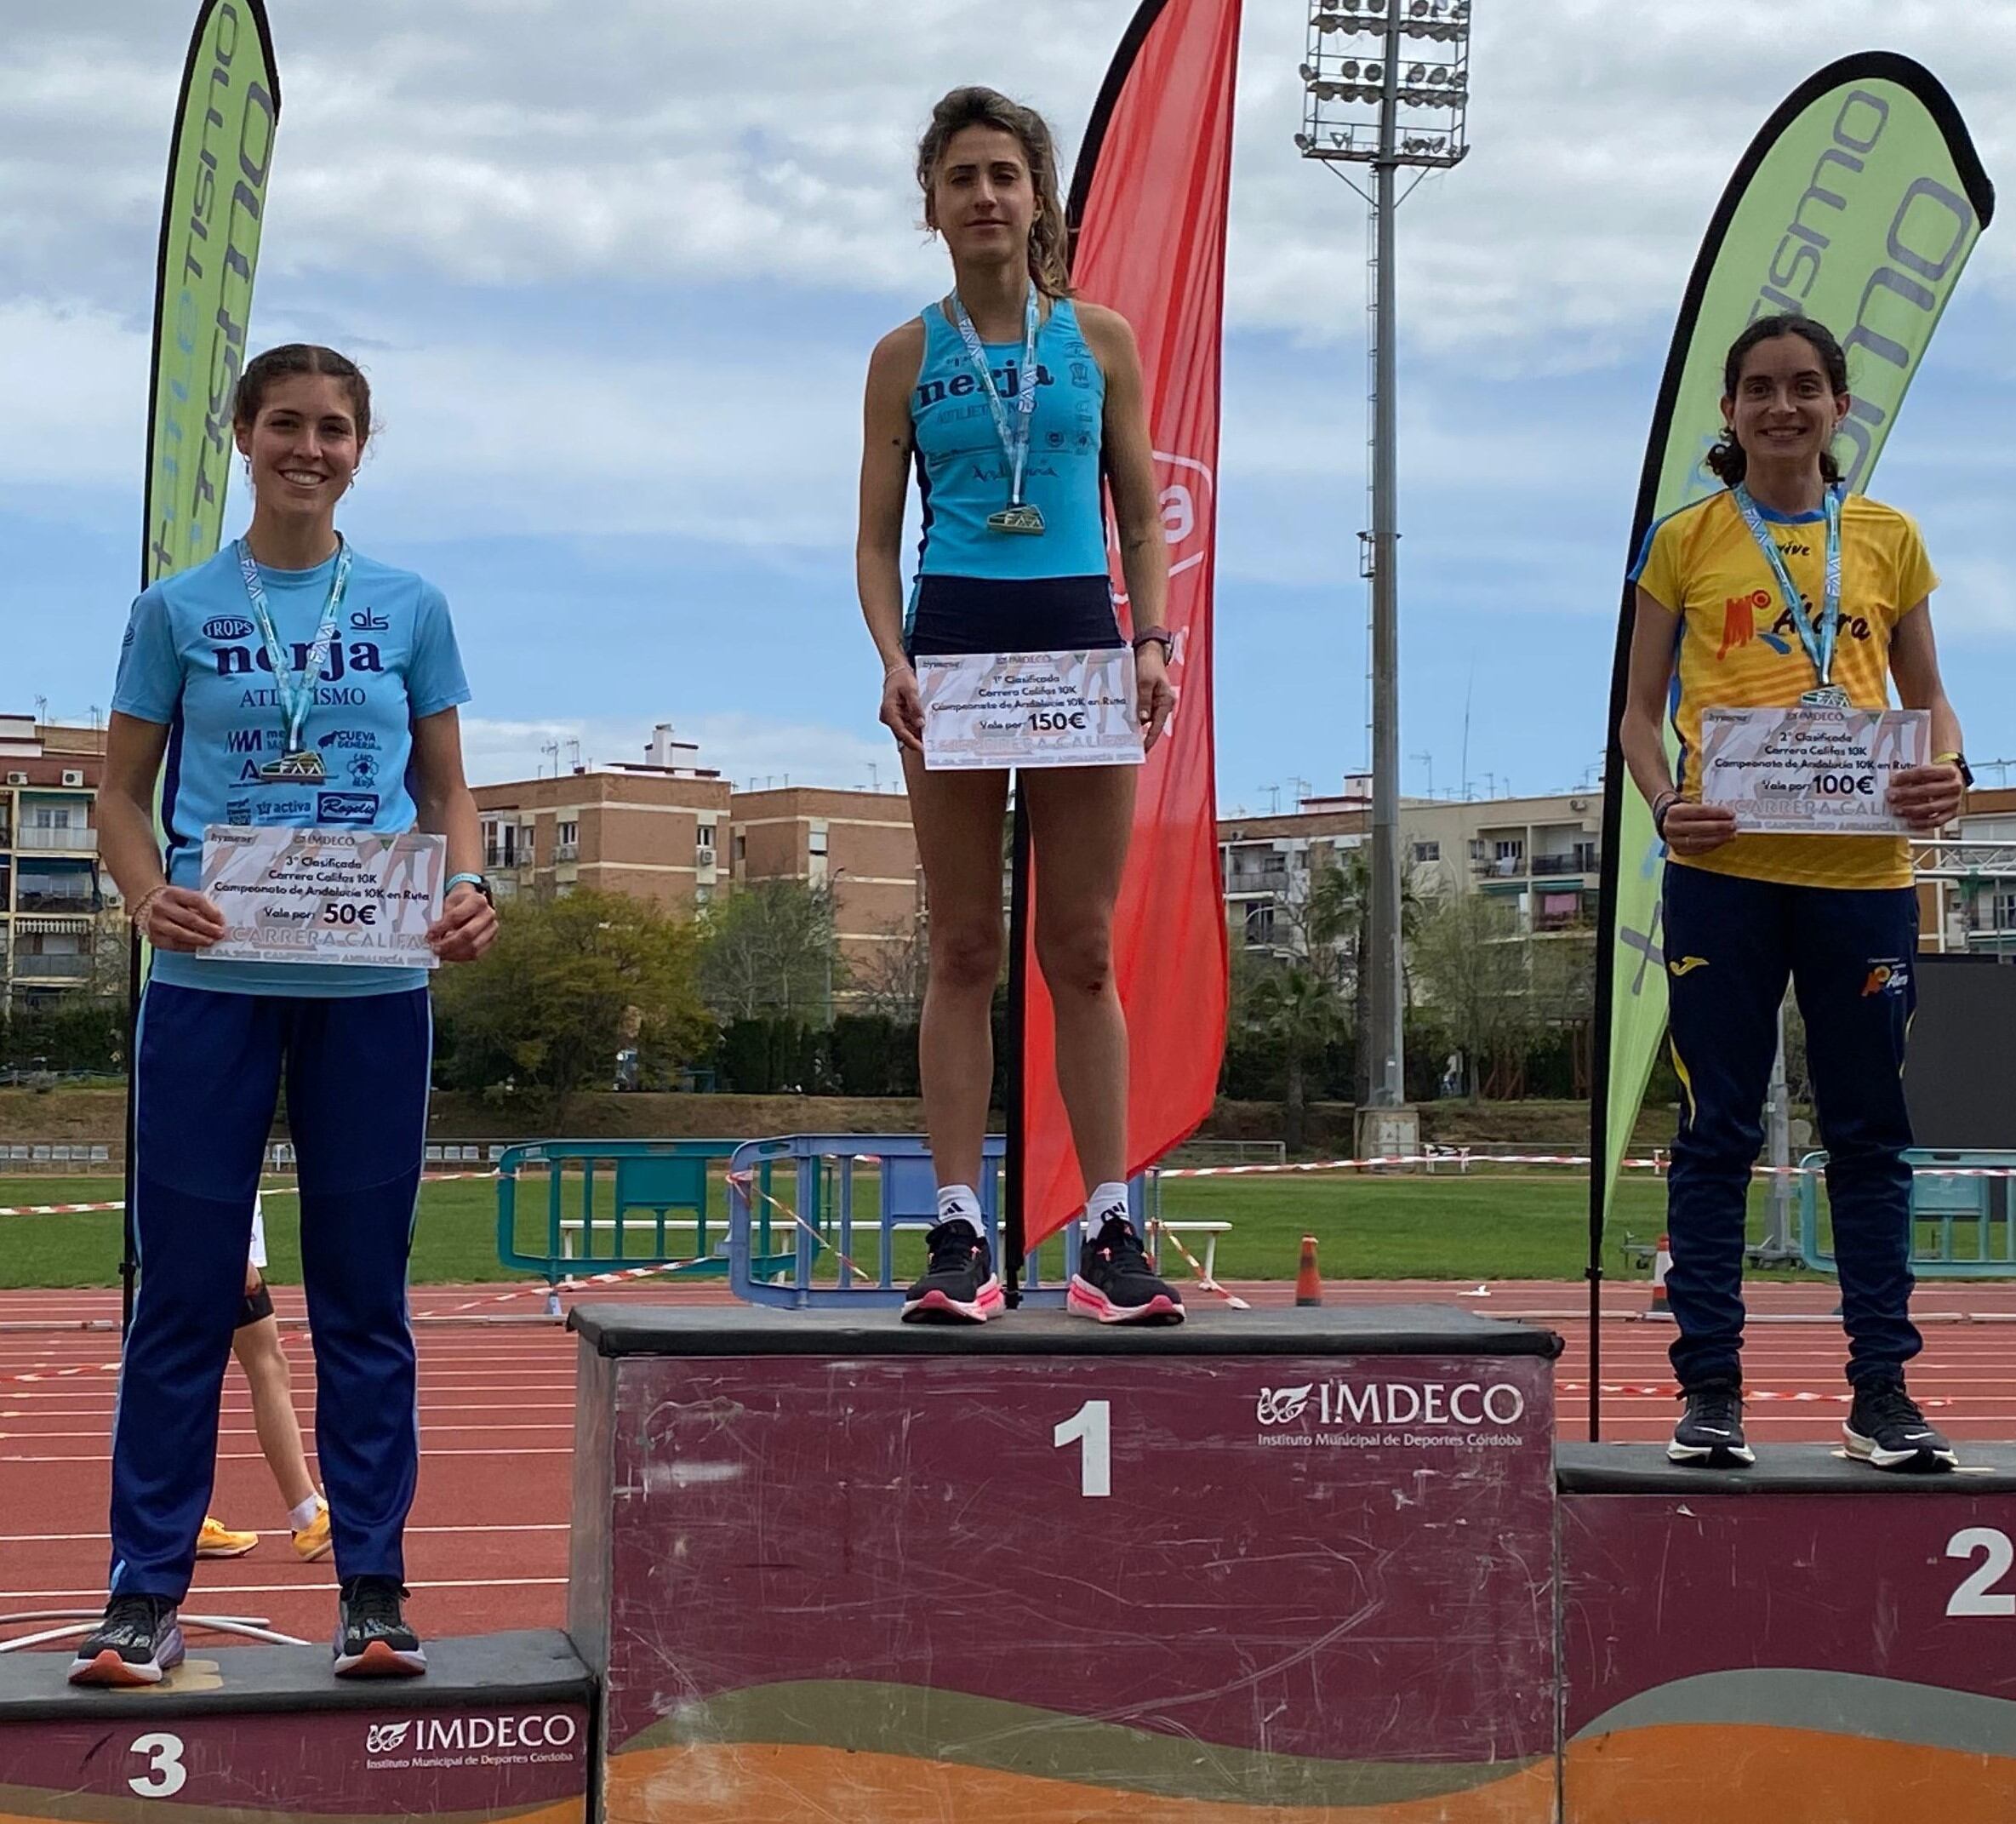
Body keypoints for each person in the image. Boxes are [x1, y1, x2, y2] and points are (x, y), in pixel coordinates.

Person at [71, 343, 498, 1688]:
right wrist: (149, 897)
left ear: (362, 448)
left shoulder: (412, 605)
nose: (309, 448)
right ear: (243, 435)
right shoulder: (177, 609)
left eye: (334, 429)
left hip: (372, 988)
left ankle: (373, 1590)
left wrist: (473, 883)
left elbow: (448, 796)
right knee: (183, 1301)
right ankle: (145, 1595)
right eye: (285, 425)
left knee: (366, 1300)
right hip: (212, 989)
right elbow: (118, 799)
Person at [1619, 312, 1968, 1473]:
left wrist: (1947, 773)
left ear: (1837, 406)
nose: (1782, 406)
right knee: (1715, 1128)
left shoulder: (1888, 536)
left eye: (1805, 386)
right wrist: (1668, 802)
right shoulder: (1685, 541)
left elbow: (1930, 699)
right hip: (1721, 869)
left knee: (1869, 1134)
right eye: (1760, 388)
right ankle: (1710, 1389)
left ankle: (1881, 1390)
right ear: (1727, 411)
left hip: (1862, 874)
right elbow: (1636, 714)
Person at [857, 87, 1179, 1326]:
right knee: (961, 945)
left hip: (1074, 634)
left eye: (1005, 174)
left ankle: (1108, 1225)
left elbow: (1142, 516)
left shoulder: (1098, 339)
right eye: (961, 178)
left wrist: (1148, 641)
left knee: (1082, 950)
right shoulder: (903, 355)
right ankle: (957, 1227)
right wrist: (892, 656)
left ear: (1038, 195)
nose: (984, 196)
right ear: (931, 204)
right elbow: (876, 542)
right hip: (953, 642)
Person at [193, 1197, 333, 1565]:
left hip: (217, 1236)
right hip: (209, 1241)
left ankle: (306, 1512)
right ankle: (305, 1513)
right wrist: (236, 1254)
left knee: (266, 1362)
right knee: (204, 1372)